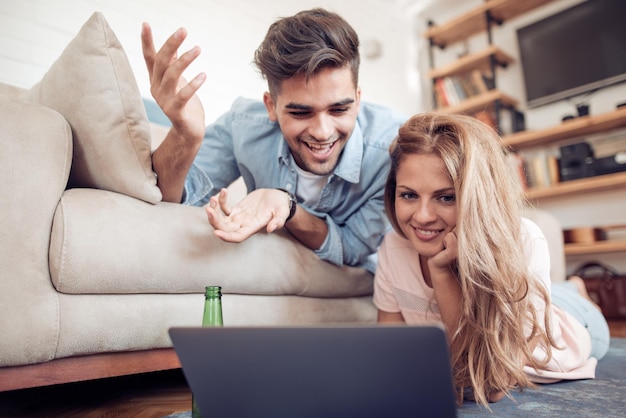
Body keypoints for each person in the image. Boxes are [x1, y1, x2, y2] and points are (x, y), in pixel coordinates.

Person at [141, 8, 406, 272]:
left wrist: (287, 206)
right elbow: (169, 202)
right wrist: (184, 136)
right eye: (301, 112)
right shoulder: (242, 125)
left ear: (358, 100)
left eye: (339, 109)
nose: (323, 131)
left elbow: (351, 248)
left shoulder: (392, 150)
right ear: (271, 106)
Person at [373, 113, 610, 407]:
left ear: (477, 196)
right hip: (529, 303)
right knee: (549, 294)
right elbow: (390, 355)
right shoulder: (393, 247)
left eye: (446, 197)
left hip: (578, 329)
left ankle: (578, 292)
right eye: (408, 195)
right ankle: (566, 288)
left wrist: (442, 272)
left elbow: (491, 383)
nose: (422, 216)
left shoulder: (523, 240)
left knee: (569, 306)